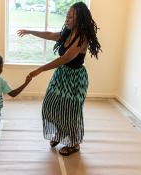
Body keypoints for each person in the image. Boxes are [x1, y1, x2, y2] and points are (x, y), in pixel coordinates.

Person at [17, 2, 101, 156]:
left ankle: (74, 144)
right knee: (51, 104)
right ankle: (58, 134)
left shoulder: (82, 37)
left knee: (70, 111)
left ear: (80, 19)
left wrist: (39, 70)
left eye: (70, 17)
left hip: (75, 78)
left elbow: (66, 57)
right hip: (61, 75)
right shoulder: (67, 32)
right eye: (66, 16)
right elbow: (50, 35)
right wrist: (30, 31)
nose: (66, 19)